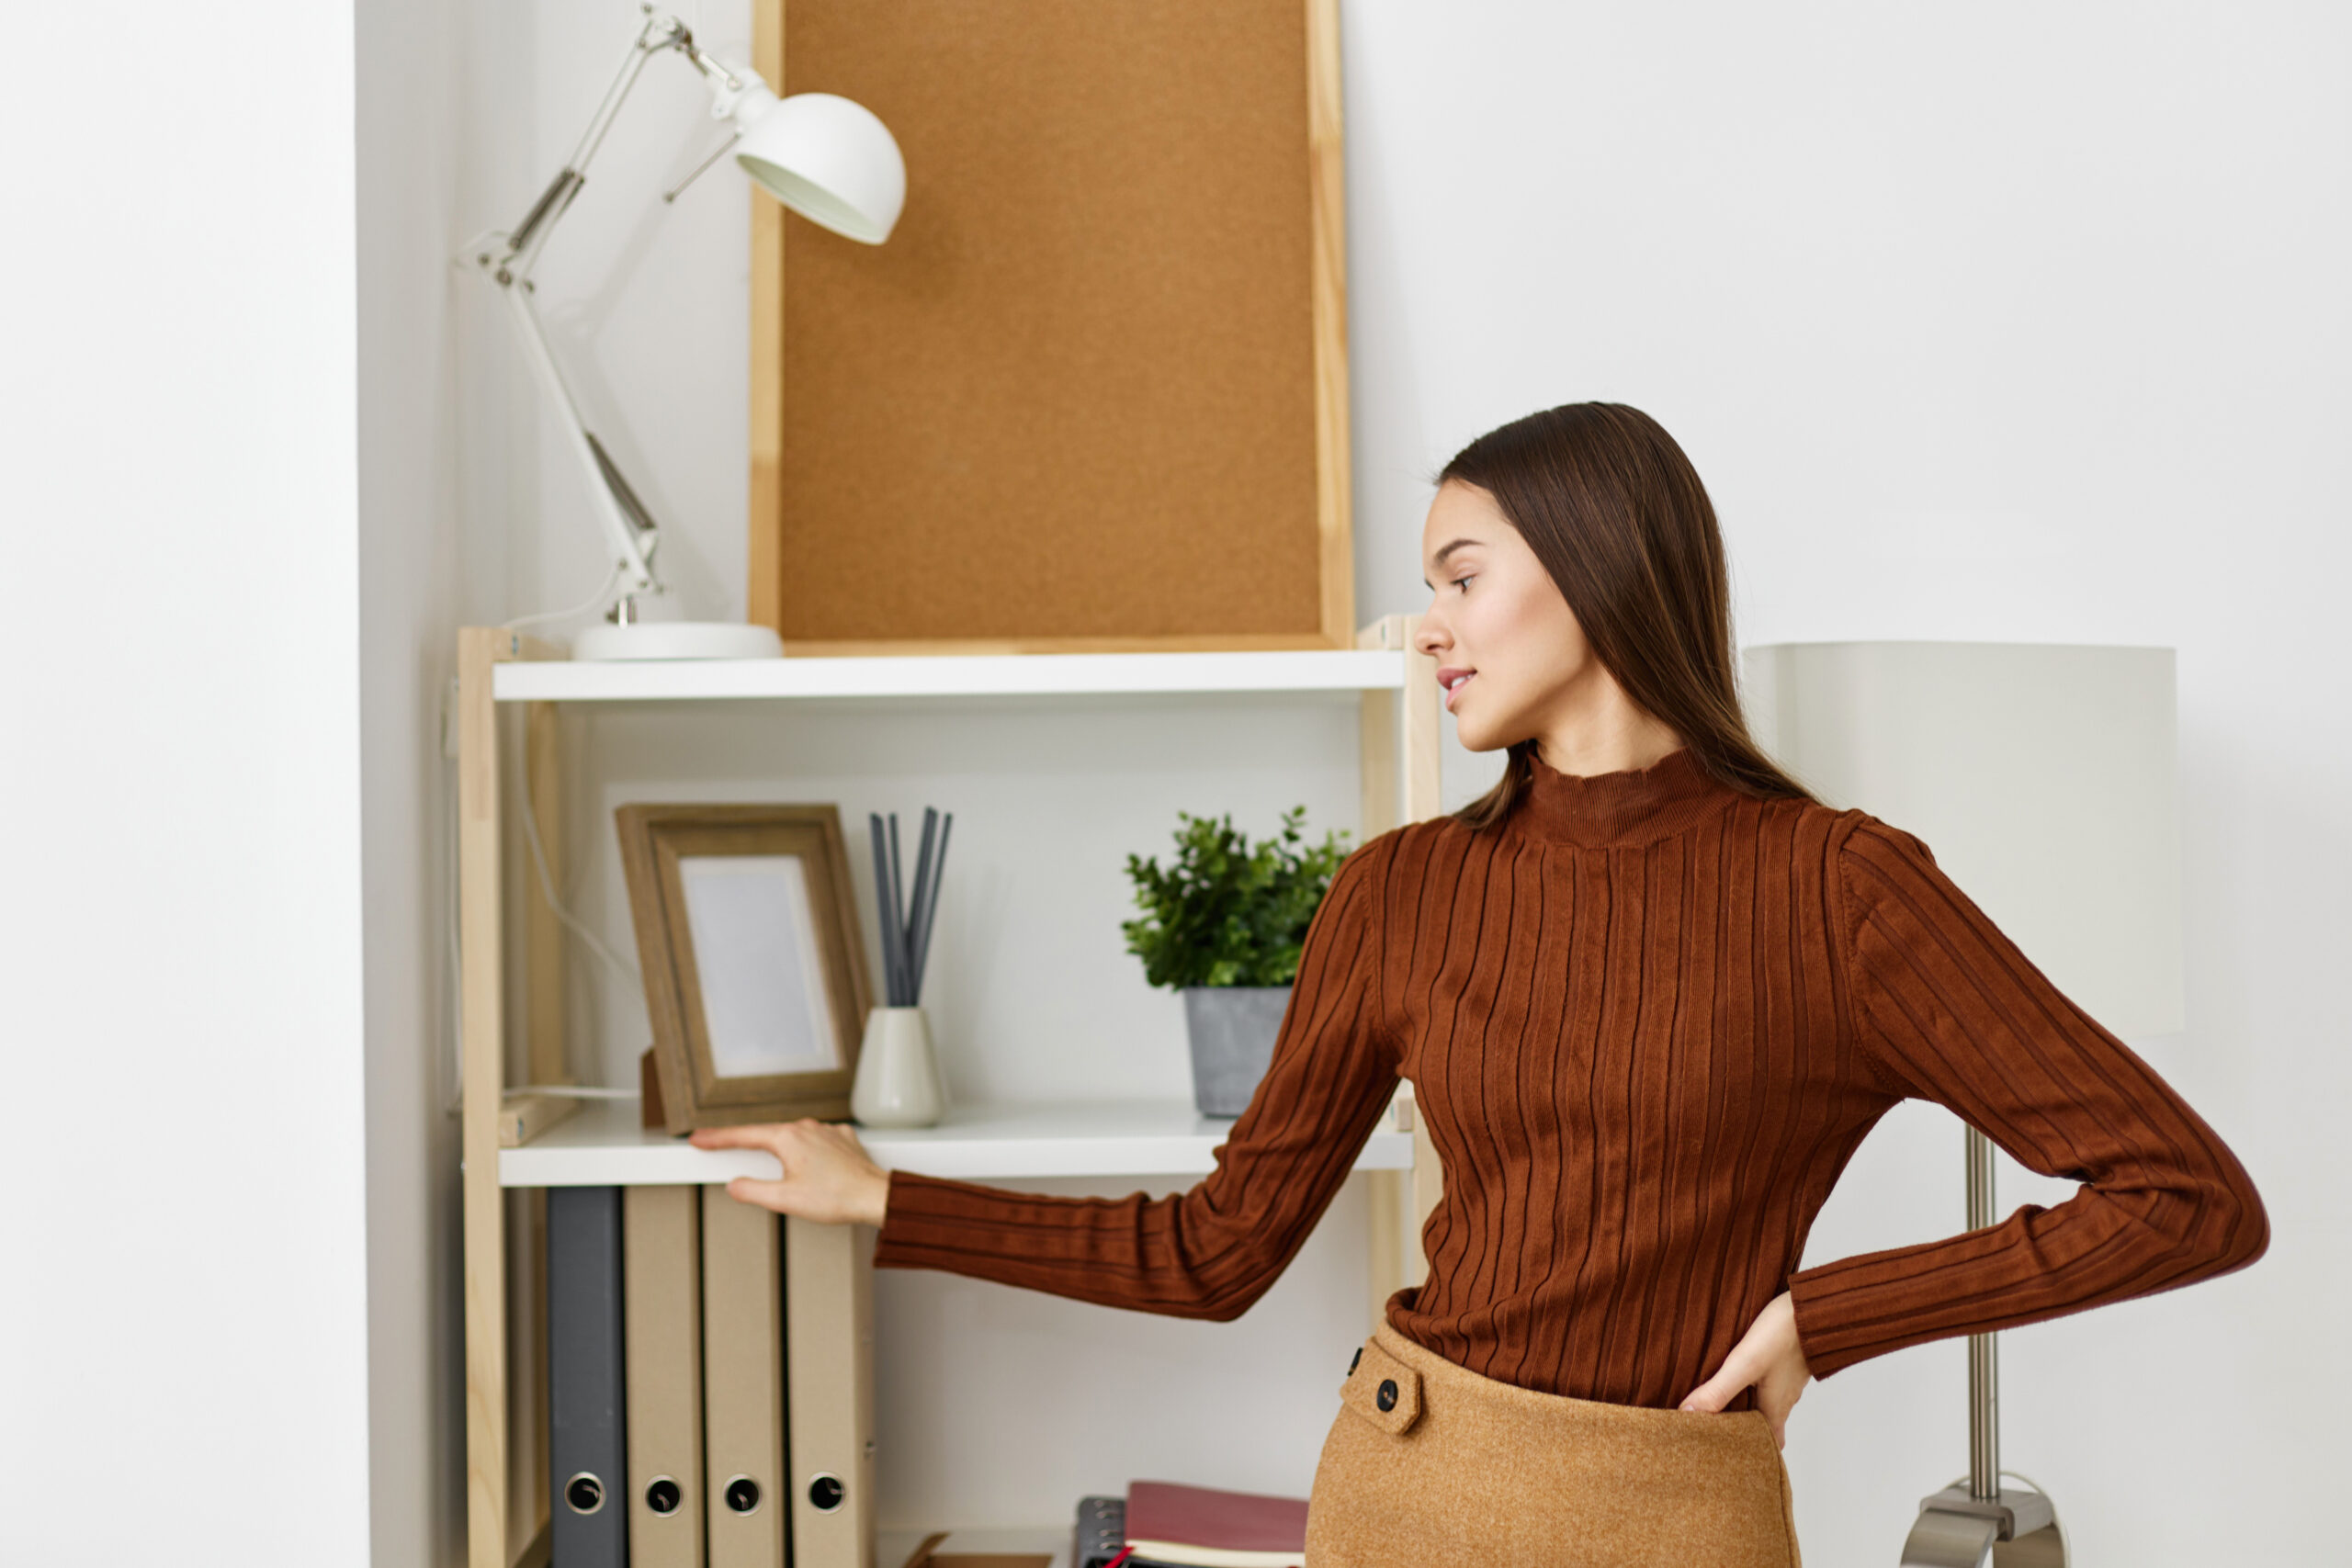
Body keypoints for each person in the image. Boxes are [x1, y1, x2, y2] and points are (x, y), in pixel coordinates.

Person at [688, 402, 2270, 1566]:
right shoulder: (1403, 890)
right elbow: (1219, 1250)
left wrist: (1823, 1317)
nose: (1425, 630)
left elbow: (2187, 1195)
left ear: (1594, 568)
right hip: (1407, 1488)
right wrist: (884, 1200)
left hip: (1671, 1518)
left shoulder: (1838, 891)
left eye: (1459, 577)